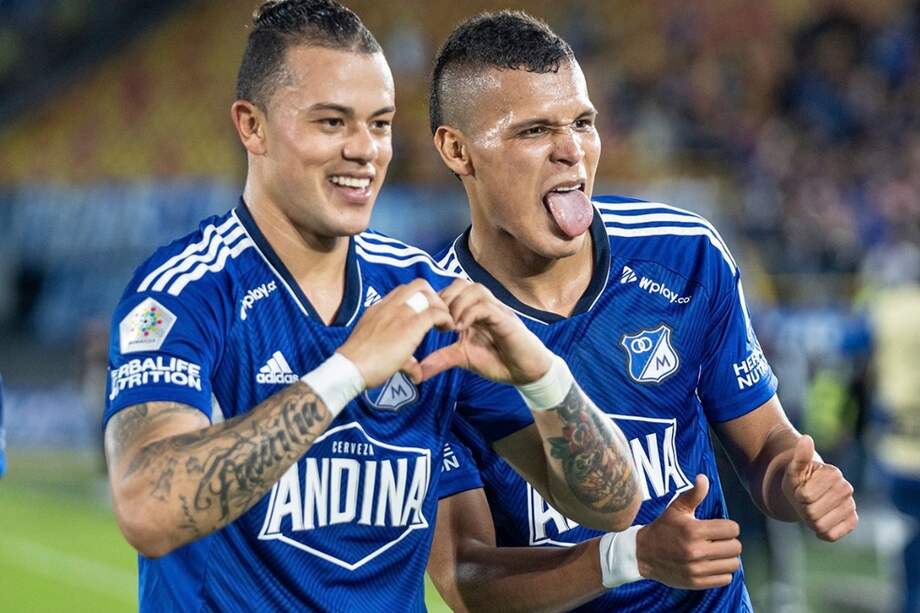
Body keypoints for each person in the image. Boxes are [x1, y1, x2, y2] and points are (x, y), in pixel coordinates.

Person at [102, 2, 639, 611]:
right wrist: (347, 371)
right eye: (332, 123)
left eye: (379, 124)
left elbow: (612, 504)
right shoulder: (186, 293)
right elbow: (146, 508)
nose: (365, 150)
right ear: (252, 126)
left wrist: (541, 374)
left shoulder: (425, 295)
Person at [424, 11, 859, 612]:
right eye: (533, 131)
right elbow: (467, 579)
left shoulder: (684, 257)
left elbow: (765, 450)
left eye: (582, 122)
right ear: (457, 150)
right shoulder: (433, 329)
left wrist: (797, 481)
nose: (571, 151)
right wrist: (631, 557)